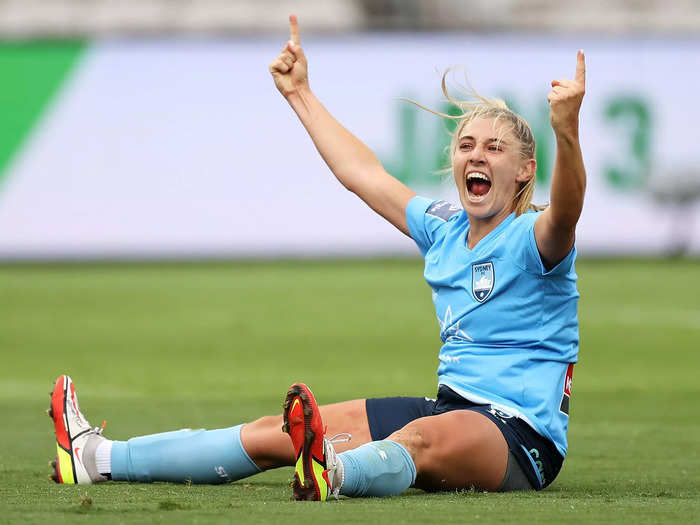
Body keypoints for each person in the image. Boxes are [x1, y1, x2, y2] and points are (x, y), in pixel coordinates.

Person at [48, 14, 586, 500]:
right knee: (272, 433)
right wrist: (299, 93)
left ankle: (333, 472)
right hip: (451, 407)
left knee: (417, 440)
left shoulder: (533, 239)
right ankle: (97, 458)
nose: (476, 155)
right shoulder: (443, 229)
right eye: (467, 144)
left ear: (523, 172)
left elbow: (566, 211)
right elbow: (364, 175)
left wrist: (566, 131)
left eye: (494, 148)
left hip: (518, 435)